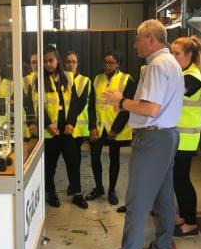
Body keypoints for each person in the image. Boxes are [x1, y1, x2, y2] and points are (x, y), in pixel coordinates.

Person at [97, 19, 184, 249]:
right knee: (164, 197)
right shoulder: (171, 63)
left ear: (151, 39)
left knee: (137, 201)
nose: (134, 43)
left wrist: (121, 101)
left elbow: (150, 109)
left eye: (137, 38)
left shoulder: (157, 66)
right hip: (167, 136)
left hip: (153, 139)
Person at [86, 51, 135, 206]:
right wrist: (92, 126)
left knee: (114, 159)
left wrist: (115, 129)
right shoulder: (97, 79)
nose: (107, 65)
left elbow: (127, 108)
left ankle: (112, 190)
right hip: (99, 128)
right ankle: (99, 187)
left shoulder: (126, 79)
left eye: (111, 62)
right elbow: (91, 106)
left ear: (118, 64)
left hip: (115, 128)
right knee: (94, 158)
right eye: (105, 62)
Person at [43, 46, 88, 209]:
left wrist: (71, 123)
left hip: (67, 129)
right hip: (51, 131)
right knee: (50, 164)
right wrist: (47, 124)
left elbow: (74, 103)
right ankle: (51, 193)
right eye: (45, 61)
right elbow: (37, 106)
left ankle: (77, 194)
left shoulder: (68, 78)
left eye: (51, 60)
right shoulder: (40, 81)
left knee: (73, 162)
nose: (48, 64)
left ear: (57, 61)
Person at [170, 36, 201, 238]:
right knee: (178, 179)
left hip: (187, 139)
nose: (173, 57)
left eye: (176, 53)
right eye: (171, 53)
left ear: (189, 55)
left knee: (182, 180)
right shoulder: (182, 73)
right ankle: (184, 216)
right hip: (178, 138)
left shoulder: (193, 78)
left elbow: (173, 93)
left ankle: (191, 223)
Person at [63, 51, 91, 196]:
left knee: (75, 158)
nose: (71, 64)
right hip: (64, 127)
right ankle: (73, 186)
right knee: (70, 159)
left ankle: (75, 188)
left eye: (74, 61)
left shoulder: (84, 80)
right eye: (68, 61)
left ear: (77, 64)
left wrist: (70, 122)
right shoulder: (60, 80)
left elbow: (79, 104)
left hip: (78, 128)